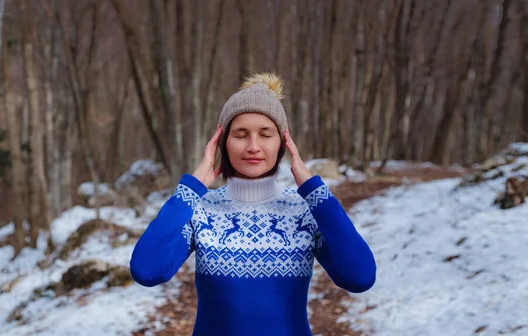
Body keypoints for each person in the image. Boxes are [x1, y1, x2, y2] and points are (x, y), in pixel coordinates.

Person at [130, 73, 376, 336]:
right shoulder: (200, 209)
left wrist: (314, 191)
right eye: (241, 134)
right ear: (223, 142)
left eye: (265, 134)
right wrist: (190, 190)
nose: (253, 146)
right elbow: (147, 270)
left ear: (282, 143)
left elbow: (359, 277)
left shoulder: (305, 211)